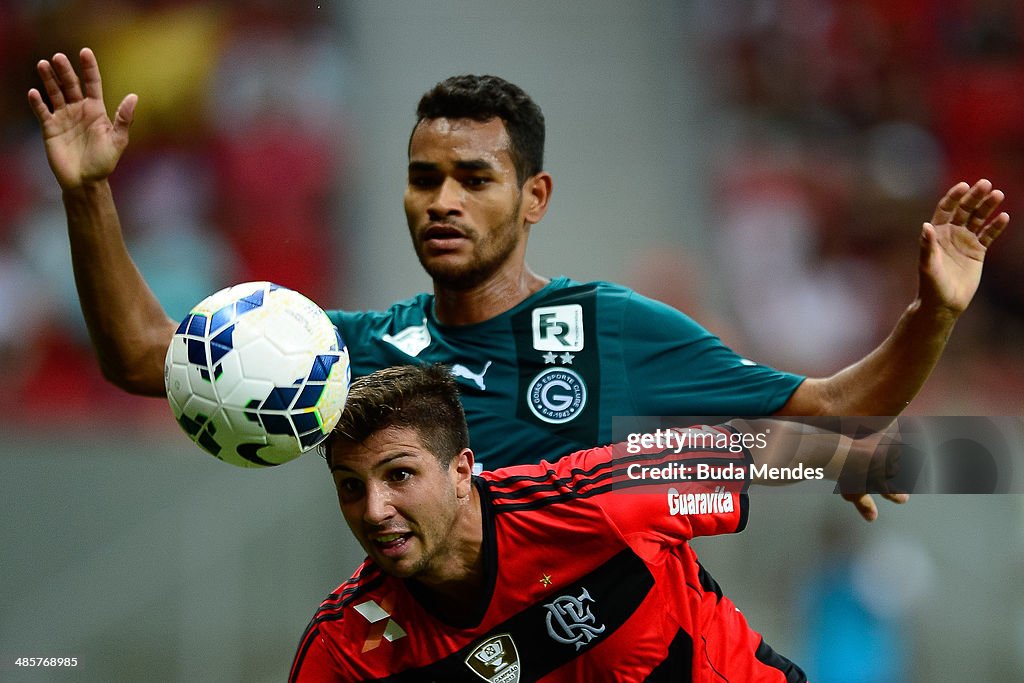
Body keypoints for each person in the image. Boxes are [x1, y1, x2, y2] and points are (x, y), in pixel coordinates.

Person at [28, 48, 1007, 520]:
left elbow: (839, 409)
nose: (441, 201)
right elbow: (143, 357)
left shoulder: (609, 328)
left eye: (472, 178)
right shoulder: (352, 352)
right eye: (422, 179)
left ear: (533, 195)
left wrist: (932, 313)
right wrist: (90, 196)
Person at [289, 364, 905, 682]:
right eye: (350, 487)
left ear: (461, 470)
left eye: (398, 475)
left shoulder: (593, 504)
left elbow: (744, 450)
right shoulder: (348, 642)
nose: (373, 510)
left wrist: (849, 460)